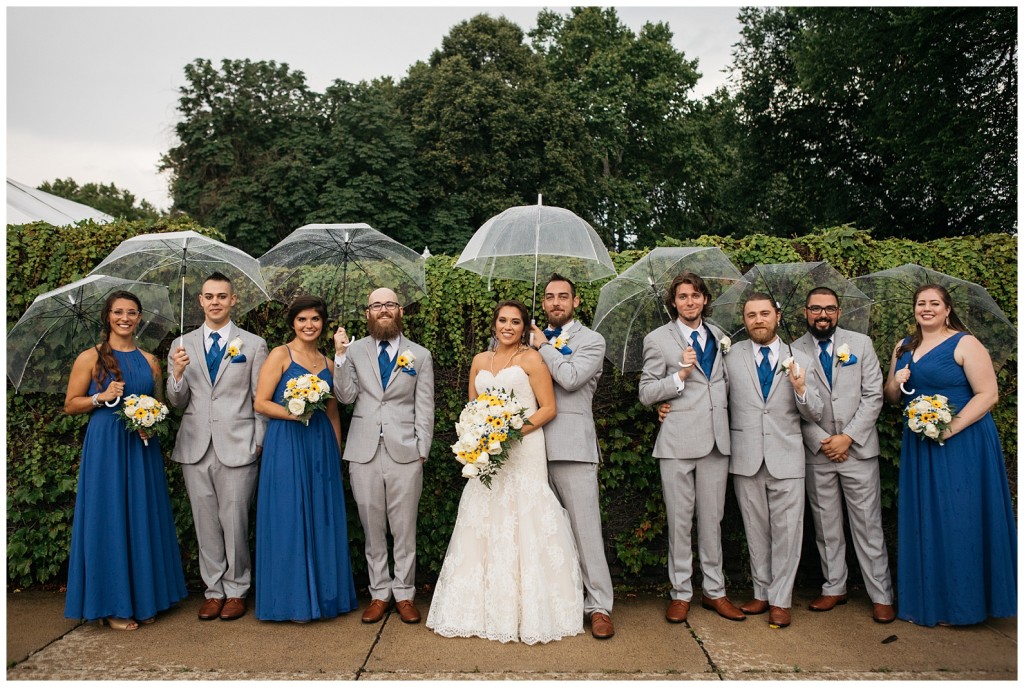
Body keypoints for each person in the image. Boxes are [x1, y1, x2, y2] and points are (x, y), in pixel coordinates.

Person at [428, 300, 584, 643]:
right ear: (494, 324)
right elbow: (472, 408)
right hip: (488, 453)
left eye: (515, 321)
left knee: (525, 515)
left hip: (524, 449)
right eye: (502, 320)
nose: (508, 326)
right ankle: (480, 608)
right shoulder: (480, 361)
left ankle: (531, 610)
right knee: (484, 514)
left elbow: (548, 409)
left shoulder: (532, 359)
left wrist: (509, 432)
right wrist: (479, 435)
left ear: (524, 326)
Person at [884, 283, 1016, 627]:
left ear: (946, 309)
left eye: (934, 303)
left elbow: (988, 395)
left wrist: (950, 427)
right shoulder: (903, 347)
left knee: (959, 518)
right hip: (919, 444)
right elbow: (892, 399)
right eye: (920, 303)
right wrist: (897, 381)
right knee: (926, 518)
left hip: (962, 443)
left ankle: (964, 605)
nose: (926, 308)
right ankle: (932, 601)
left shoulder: (966, 343)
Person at [64, 291, 187, 630]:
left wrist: (151, 422)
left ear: (139, 317)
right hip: (106, 448)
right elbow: (71, 404)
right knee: (110, 517)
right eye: (118, 312)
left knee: (141, 515)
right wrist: (99, 397)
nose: (125, 318)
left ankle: (145, 598)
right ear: (108, 316)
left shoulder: (150, 361)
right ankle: (113, 605)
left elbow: (160, 406)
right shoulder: (89, 358)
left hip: (141, 447)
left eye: (132, 312)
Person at [639, 273, 744, 624]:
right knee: (680, 521)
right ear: (674, 302)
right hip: (677, 443)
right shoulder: (658, 339)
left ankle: (715, 592)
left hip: (717, 441)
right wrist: (679, 377)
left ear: (704, 299)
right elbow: (646, 392)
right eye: (683, 296)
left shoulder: (719, 335)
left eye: (695, 296)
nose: (689, 302)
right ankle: (680, 593)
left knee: (713, 521)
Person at [166, 272, 268, 621]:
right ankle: (214, 590)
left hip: (239, 445)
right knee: (205, 521)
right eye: (209, 296)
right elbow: (176, 401)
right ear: (199, 301)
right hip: (195, 446)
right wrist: (177, 375)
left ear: (233, 300)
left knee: (235, 521)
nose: (215, 302)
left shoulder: (253, 345)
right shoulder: (181, 344)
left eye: (222, 296)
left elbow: (260, 398)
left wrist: (258, 442)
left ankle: (237, 589)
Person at [252, 296, 358, 622]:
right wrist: (294, 412)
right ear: (293, 323)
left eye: (315, 319)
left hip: (320, 445)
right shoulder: (280, 355)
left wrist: (335, 451)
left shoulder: (328, 364)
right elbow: (260, 403)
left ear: (323, 323)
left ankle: (325, 597)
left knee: (321, 517)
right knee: (288, 516)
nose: (309, 325)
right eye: (302, 320)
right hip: (286, 442)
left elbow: (333, 412)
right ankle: (289, 600)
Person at [793, 287, 895, 623]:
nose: (823, 315)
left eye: (830, 309)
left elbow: (873, 397)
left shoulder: (861, 345)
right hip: (818, 452)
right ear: (805, 312)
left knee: (868, 525)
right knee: (826, 526)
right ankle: (833, 587)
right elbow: (790, 406)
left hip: (858, 450)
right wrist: (823, 440)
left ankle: (880, 594)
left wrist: (847, 437)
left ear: (839, 312)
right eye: (816, 309)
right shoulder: (792, 350)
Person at [333, 288, 434, 624]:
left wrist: (422, 450)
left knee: (404, 529)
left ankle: (404, 594)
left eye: (389, 304)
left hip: (405, 452)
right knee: (372, 528)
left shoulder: (419, 355)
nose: (383, 309)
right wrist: (340, 356)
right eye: (377, 305)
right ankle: (379, 593)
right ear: (368, 313)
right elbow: (345, 397)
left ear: (400, 310)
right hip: (363, 453)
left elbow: (425, 407)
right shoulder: (354, 349)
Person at [526, 274, 616, 639]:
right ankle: (555, 603)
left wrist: (542, 347)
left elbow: (572, 378)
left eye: (563, 296)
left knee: (585, 531)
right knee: (541, 535)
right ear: (543, 303)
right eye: (549, 297)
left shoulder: (592, 340)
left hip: (572, 449)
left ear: (576, 302)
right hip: (528, 449)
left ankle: (599, 606)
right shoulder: (526, 339)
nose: (556, 302)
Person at [726, 293, 822, 629]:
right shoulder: (731, 355)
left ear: (777, 317)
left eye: (764, 313)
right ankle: (761, 592)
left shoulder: (802, 356)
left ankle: (781, 600)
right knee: (755, 529)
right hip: (746, 456)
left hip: (787, 457)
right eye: (751, 315)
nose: (758, 320)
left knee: (788, 532)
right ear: (744, 319)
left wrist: (801, 390)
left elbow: (816, 411)